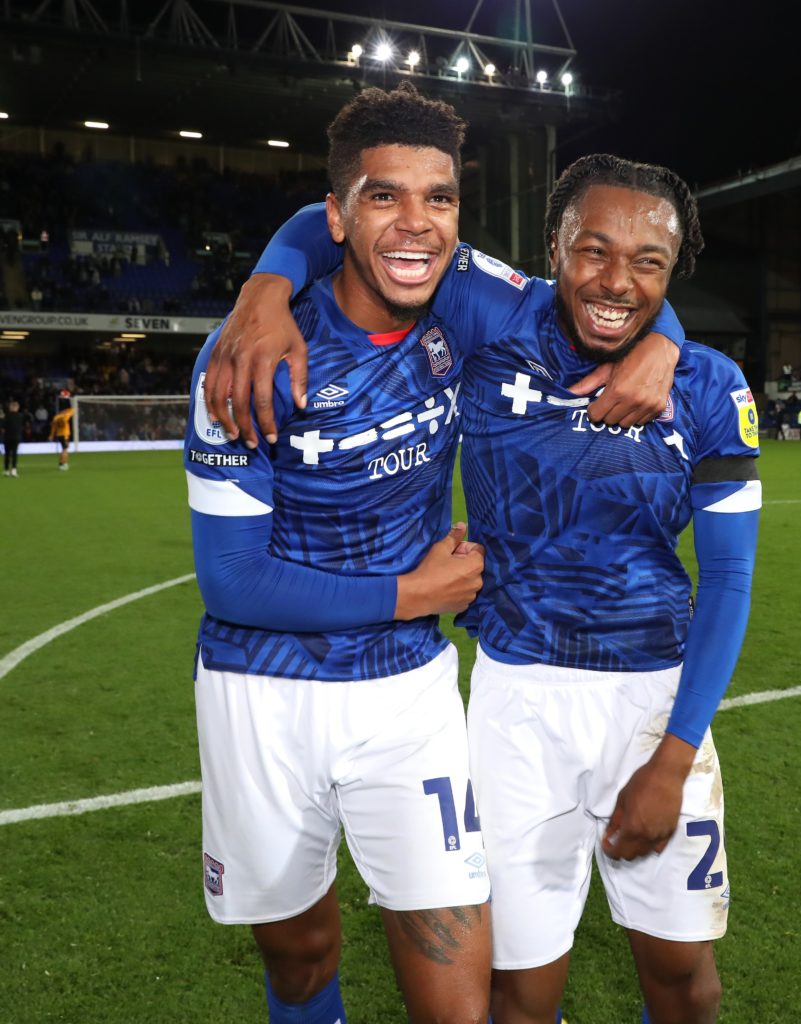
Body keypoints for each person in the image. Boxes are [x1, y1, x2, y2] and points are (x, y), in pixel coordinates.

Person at [210, 151, 759, 1024]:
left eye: (649, 262)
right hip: (512, 703)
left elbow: (729, 578)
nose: (615, 279)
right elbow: (347, 223)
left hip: (653, 704)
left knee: (682, 979)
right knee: (517, 989)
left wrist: (676, 752)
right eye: (591, 250)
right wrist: (265, 289)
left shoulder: (708, 387)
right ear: (553, 248)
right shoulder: (484, 320)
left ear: (674, 274)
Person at [49, 395, 74, 471]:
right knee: (65, 449)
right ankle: (64, 464)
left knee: (63, 449)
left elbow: (54, 427)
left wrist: (51, 435)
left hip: (59, 435)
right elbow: (72, 410)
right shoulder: (66, 415)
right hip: (65, 434)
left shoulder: (56, 417)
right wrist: (69, 399)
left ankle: (60, 463)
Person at [3, 399, 22, 477]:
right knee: (14, 454)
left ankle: (6, 470)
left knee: (7, 454)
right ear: (17, 408)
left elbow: (3, 427)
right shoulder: (20, 416)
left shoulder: (6, 416)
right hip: (16, 437)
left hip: (8, 437)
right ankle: (14, 470)